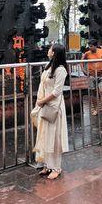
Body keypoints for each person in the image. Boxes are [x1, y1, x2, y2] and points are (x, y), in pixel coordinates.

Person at [33, 43, 69, 180]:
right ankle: (47, 164)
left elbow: (57, 92)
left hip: (53, 107)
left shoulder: (60, 70)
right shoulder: (49, 67)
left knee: (55, 138)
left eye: (50, 49)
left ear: (54, 53)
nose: (47, 50)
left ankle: (56, 167)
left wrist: (42, 101)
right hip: (45, 105)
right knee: (45, 135)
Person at [82, 39, 102, 117]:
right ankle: (96, 110)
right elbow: (82, 61)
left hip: (101, 75)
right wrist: (84, 70)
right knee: (94, 93)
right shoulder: (87, 54)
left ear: (95, 46)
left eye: (91, 46)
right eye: (89, 46)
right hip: (91, 76)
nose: (89, 48)